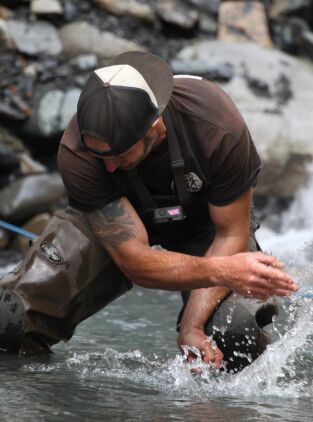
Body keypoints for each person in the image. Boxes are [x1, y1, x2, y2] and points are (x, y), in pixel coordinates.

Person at [0, 51, 297, 363]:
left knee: (234, 332)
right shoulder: (79, 151)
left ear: (155, 127)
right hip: (112, 227)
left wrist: (192, 326)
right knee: (10, 319)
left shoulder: (216, 126)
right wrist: (224, 270)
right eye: (101, 156)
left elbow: (229, 234)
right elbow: (135, 261)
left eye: (120, 154)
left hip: (207, 227)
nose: (110, 167)